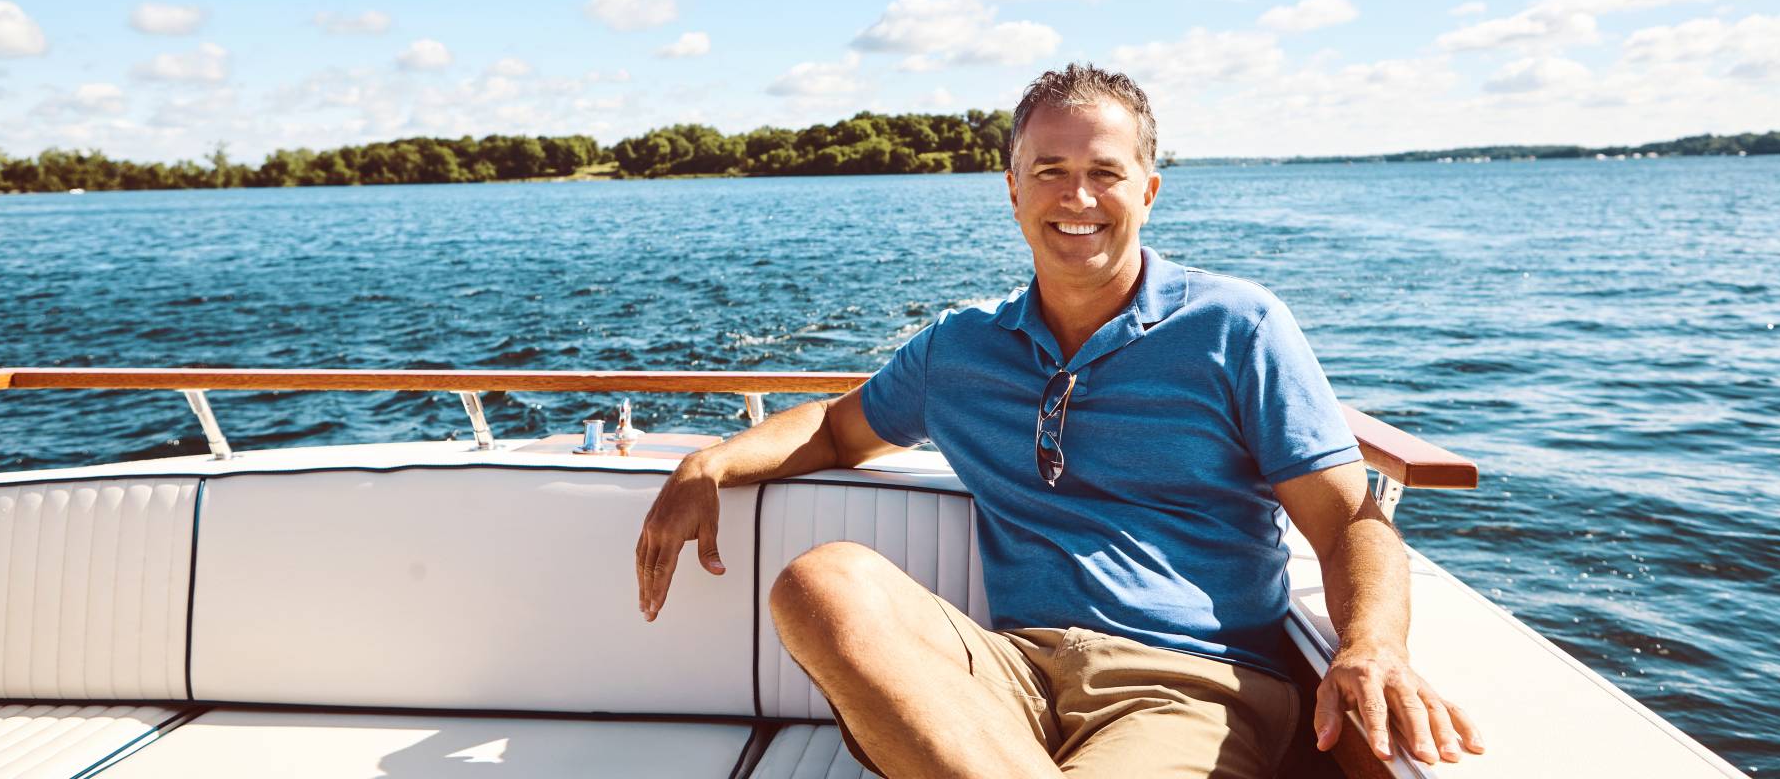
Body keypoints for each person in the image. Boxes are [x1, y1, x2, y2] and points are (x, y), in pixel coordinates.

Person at [633, 63, 1486, 777]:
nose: (1077, 195)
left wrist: (1371, 646)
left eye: (1106, 172)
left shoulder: (1239, 327)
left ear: (1147, 191)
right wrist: (708, 463)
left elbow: (1348, 526)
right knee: (819, 582)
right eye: (1049, 170)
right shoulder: (959, 350)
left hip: (1191, 685)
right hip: (1010, 672)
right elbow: (831, 429)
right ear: (1012, 189)